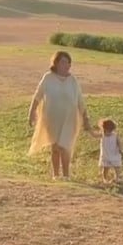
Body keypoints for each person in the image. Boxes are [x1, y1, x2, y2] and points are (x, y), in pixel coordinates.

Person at [27, 50, 92, 180]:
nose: (66, 65)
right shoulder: (48, 78)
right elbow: (38, 96)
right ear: (56, 63)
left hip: (69, 119)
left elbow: (80, 101)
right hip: (52, 119)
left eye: (68, 62)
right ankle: (56, 175)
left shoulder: (73, 80)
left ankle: (66, 175)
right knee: (55, 146)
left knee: (65, 146)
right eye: (63, 62)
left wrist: (85, 119)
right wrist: (31, 112)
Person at [89, 118, 123, 183]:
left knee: (117, 167)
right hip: (106, 155)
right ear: (103, 129)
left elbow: (119, 143)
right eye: (107, 130)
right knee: (105, 168)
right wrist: (89, 130)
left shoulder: (115, 135)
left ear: (112, 129)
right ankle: (105, 179)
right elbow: (94, 135)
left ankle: (117, 178)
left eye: (109, 131)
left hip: (114, 154)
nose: (108, 132)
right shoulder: (102, 135)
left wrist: (121, 150)